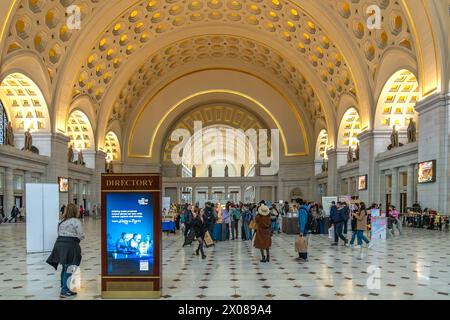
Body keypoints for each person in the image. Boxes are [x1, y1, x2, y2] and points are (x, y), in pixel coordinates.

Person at [46, 203, 84, 298]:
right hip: (70, 246)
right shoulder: (76, 222)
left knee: (64, 267)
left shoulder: (62, 221)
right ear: (75, 211)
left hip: (59, 245)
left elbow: (58, 232)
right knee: (69, 268)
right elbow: (81, 235)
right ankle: (65, 290)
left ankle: (64, 287)